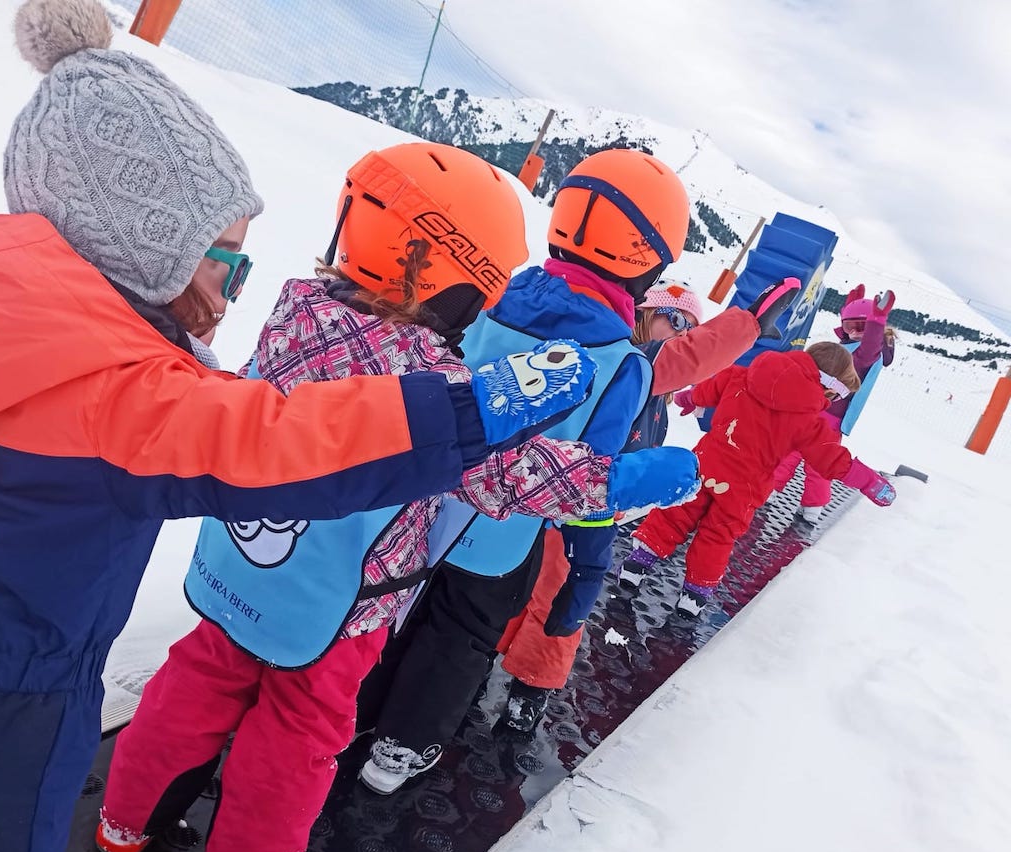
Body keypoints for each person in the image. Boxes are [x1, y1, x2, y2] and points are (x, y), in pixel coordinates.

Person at [0, 2, 596, 852]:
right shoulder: (124, 397)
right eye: (224, 259)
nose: (233, 290)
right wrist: (461, 414)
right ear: (138, 245)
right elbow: (274, 442)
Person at [92, 143, 701, 852]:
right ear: (452, 277)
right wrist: (617, 482)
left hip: (237, 574)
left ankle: (124, 827)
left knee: (196, 679)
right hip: (343, 605)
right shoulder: (431, 385)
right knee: (298, 737)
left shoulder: (294, 313)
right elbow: (502, 475)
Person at [357, 149, 803, 794]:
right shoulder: (619, 359)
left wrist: (738, 326)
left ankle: (359, 714)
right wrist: (589, 565)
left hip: (426, 505)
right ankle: (403, 749)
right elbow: (589, 480)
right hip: (508, 535)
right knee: (462, 635)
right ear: (646, 254)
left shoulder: (499, 298)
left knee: (406, 609)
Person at [488, 279, 800, 732]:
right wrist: (745, 324)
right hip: (558, 496)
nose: (680, 332)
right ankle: (490, 663)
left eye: (689, 325)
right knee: (521, 589)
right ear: (642, 316)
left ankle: (529, 690)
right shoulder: (633, 364)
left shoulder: (657, 396)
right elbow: (691, 356)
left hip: (591, 511)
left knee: (559, 604)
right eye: (672, 320)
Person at [621, 341, 898, 617]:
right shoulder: (808, 421)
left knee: (675, 512)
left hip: (703, 464)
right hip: (744, 488)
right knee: (718, 535)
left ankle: (637, 565)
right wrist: (868, 481)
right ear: (826, 385)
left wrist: (688, 399)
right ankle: (693, 597)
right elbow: (832, 459)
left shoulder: (743, 375)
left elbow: (709, 389)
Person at [773, 283, 897, 523]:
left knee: (811, 459)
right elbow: (843, 346)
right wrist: (848, 311)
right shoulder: (849, 347)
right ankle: (792, 497)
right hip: (817, 411)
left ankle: (797, 499)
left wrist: (876, 320)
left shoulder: (865, 355)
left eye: (861, 326)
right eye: (849, 326)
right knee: (795, 453)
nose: (853, 332)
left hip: (829, 416)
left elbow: (869, 345)